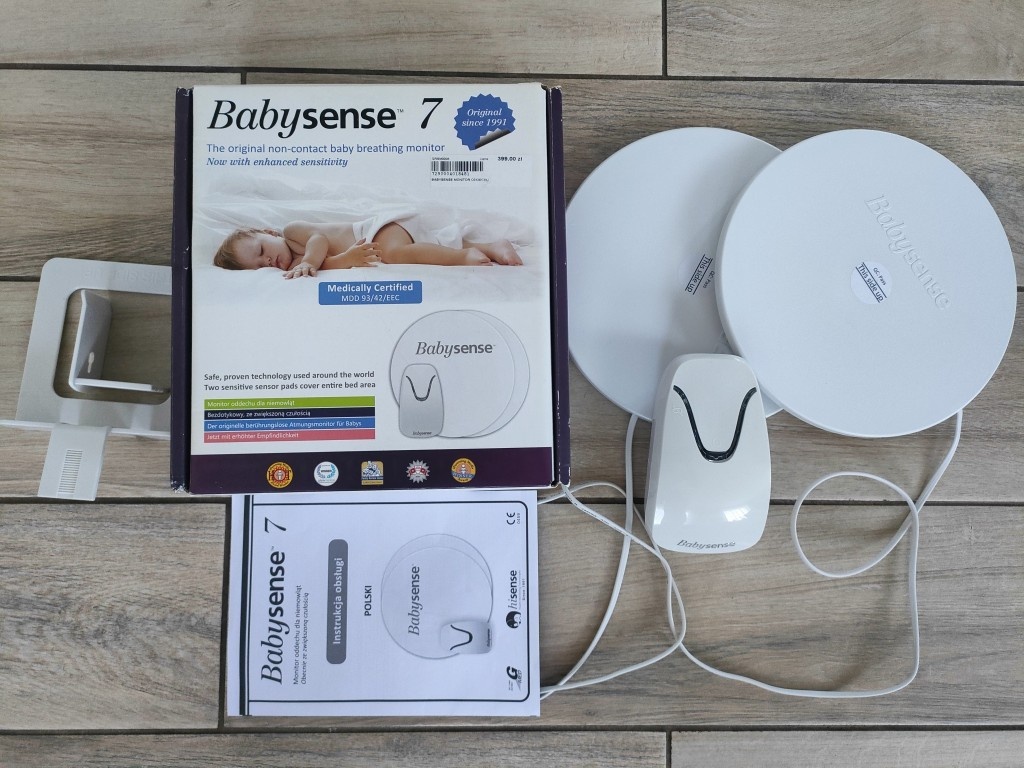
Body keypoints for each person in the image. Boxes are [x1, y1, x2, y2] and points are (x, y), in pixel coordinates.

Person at [213, 220, 522, 278]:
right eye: (259, 265)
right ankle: (490, 247)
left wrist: (310, 261)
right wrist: (344, 260)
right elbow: (330, 264)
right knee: (423, 248)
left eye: (261, 250)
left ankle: (461, 258)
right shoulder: (296, 268)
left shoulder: (293, 233)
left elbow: (319, 241)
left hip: (376, 229)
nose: (268, 260)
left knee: (395, 255)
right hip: (380, 240)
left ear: (268, 232)